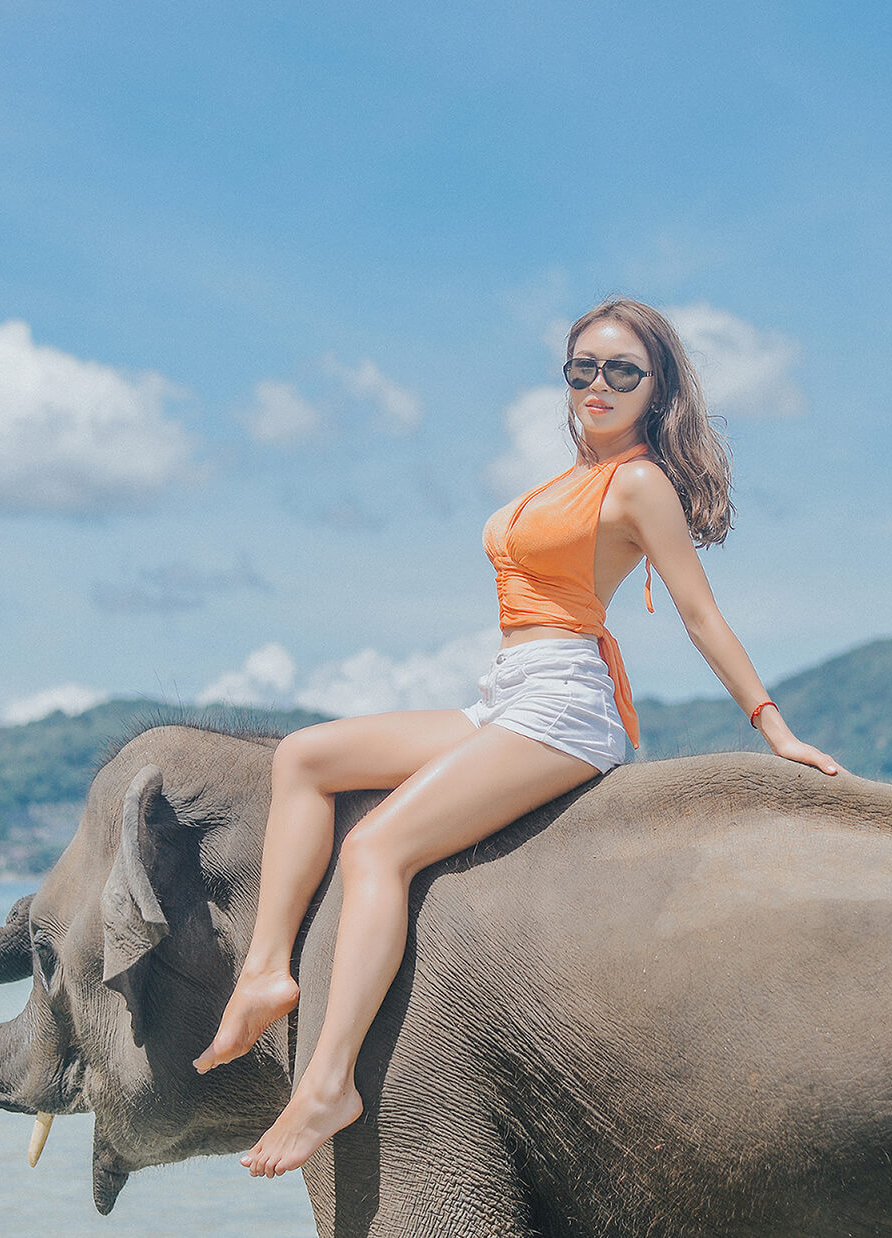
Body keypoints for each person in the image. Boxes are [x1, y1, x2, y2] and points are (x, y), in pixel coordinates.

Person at [194, 296, 843, 1178]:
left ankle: (329, 1082)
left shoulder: (639, 483)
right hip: (504, 694)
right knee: (305, 756)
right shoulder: (565, 479)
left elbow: (699, 614)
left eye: (623, 371)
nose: (600, 385)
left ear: (658, 389)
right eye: (584, 368)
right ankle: (268, 971)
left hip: (565, 707)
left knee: (379, 848)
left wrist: (775, 727)